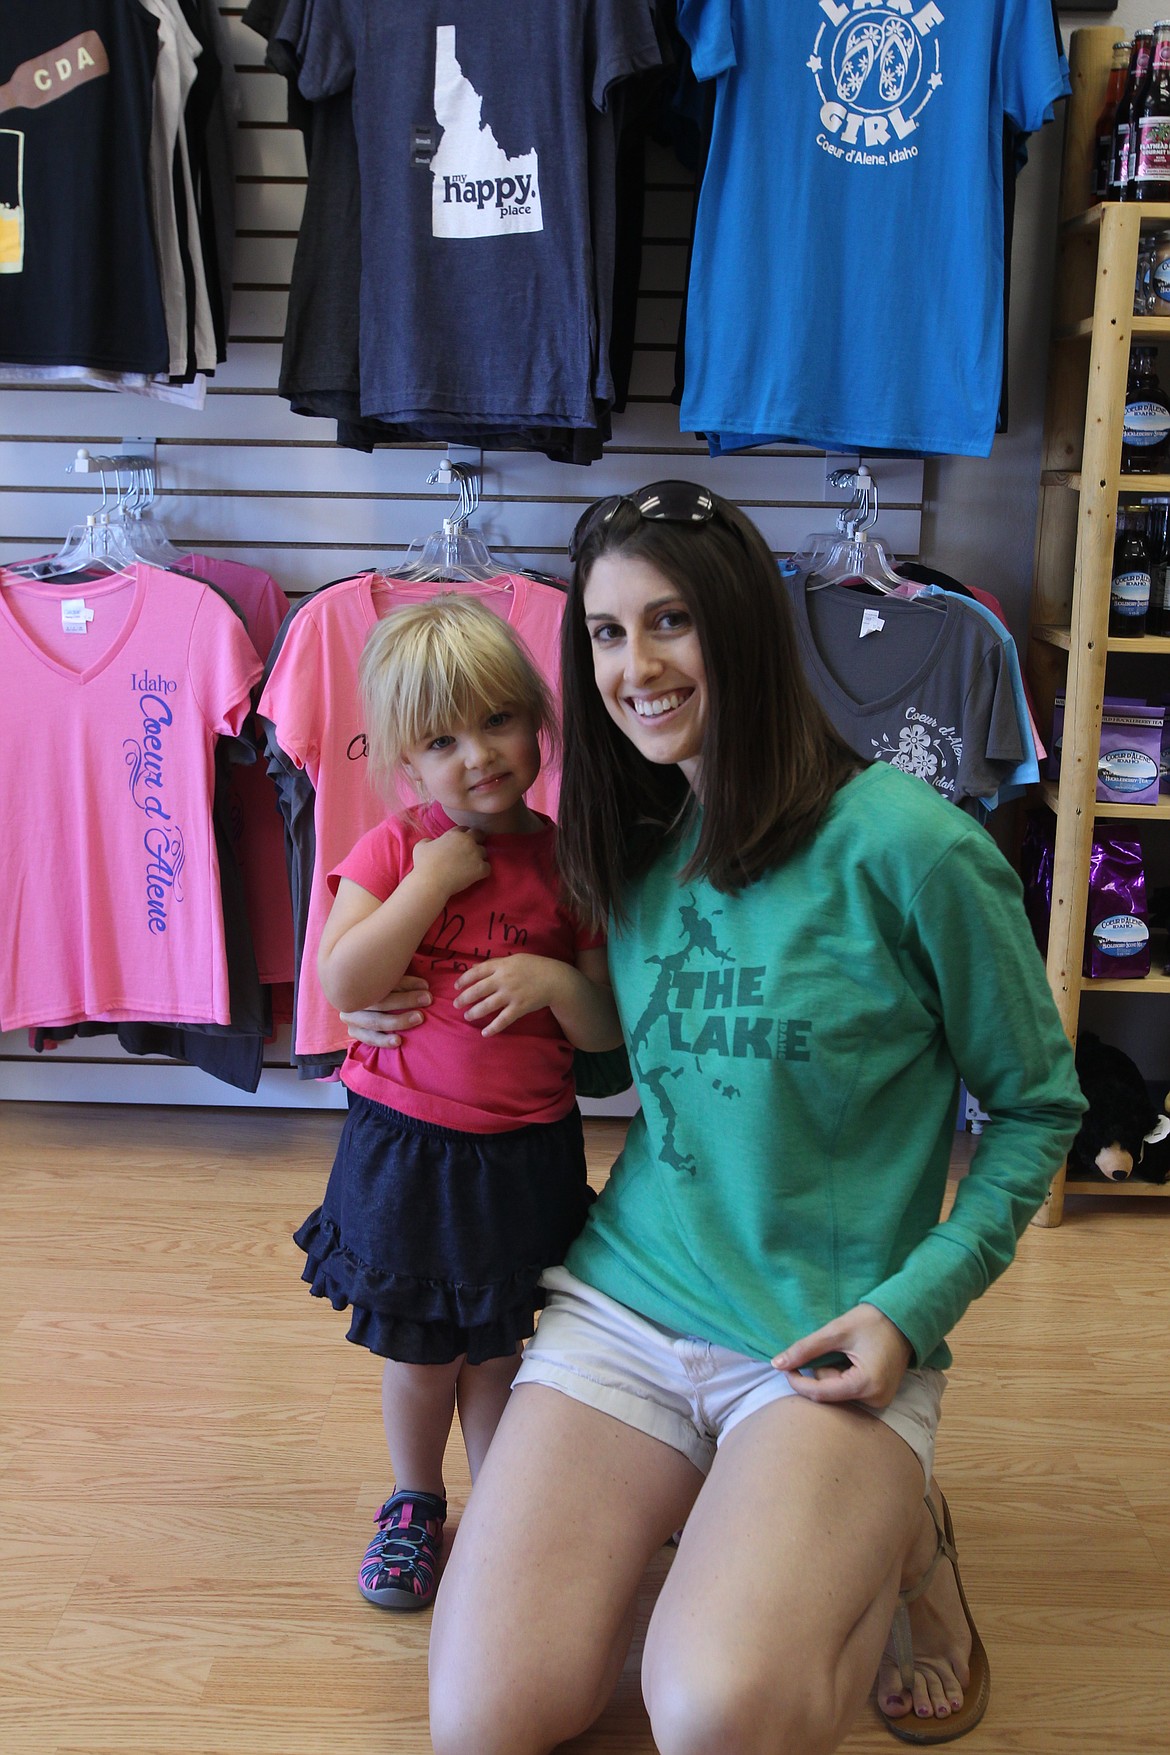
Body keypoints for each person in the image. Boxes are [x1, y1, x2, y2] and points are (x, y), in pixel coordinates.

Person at [351, 483, 1085, 1752]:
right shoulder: (632, 842)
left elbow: (1035, 1109)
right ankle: (743, 1527)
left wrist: (917, 1308)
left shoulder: (915, 851)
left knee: (716, 1713)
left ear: (744, 622)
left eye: (671, 620)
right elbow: (608, 1047)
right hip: (629, 1302)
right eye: (605, 633)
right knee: (487, 1718)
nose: (637, 666)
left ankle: (907, 1546)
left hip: (826, 1333)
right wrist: (388, 1000)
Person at [297, 593, 622, 1612]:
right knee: (419, 1350)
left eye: (496, 721)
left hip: (522, 1157)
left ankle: (505, 1511)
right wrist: (429, 885)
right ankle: (413, 1502)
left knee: (499, 1347)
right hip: (407, 1153)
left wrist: (556, 986)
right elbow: (344, 984)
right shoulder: (397, 849)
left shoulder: (570, 860)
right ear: (405, 759)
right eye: (442, 739)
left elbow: (608, 1027)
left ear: (538, 722)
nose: (477, 755)